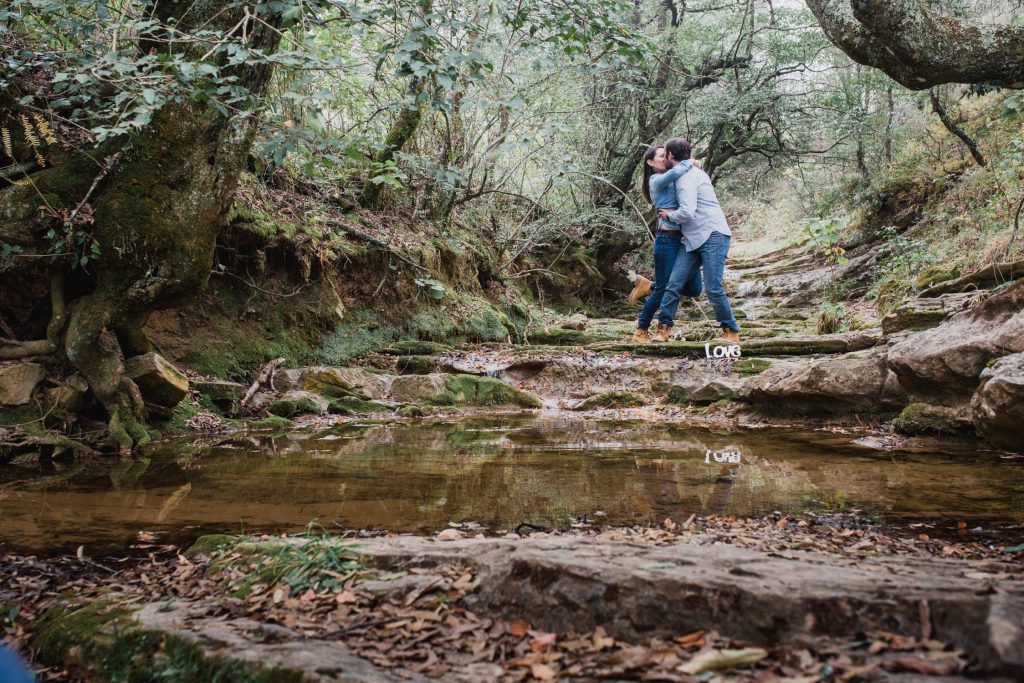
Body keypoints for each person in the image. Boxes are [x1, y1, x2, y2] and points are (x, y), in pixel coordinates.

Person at [655, 137, 740, 343]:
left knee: (713, 288)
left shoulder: (687, 178)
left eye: (664, 153)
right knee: (673, 283)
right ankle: (663, 329)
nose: (662, 157)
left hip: (713, 234)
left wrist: (668, 216)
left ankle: (731, 332)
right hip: (692, 239)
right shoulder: (684, 173)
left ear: (671, 156)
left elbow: (687, 212)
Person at [632, 146, 703, 343]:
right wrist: (690, 161)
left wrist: (695, 166)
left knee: (695, 289)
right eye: (662, 156)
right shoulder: (655, 180)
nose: (666, 159)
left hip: (685, 240)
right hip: (667, 239)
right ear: (650, 162)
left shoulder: (675, 177)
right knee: (664, 289)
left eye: (667, 156)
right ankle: (641, 330)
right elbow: (678, 170)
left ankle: (649, 286)